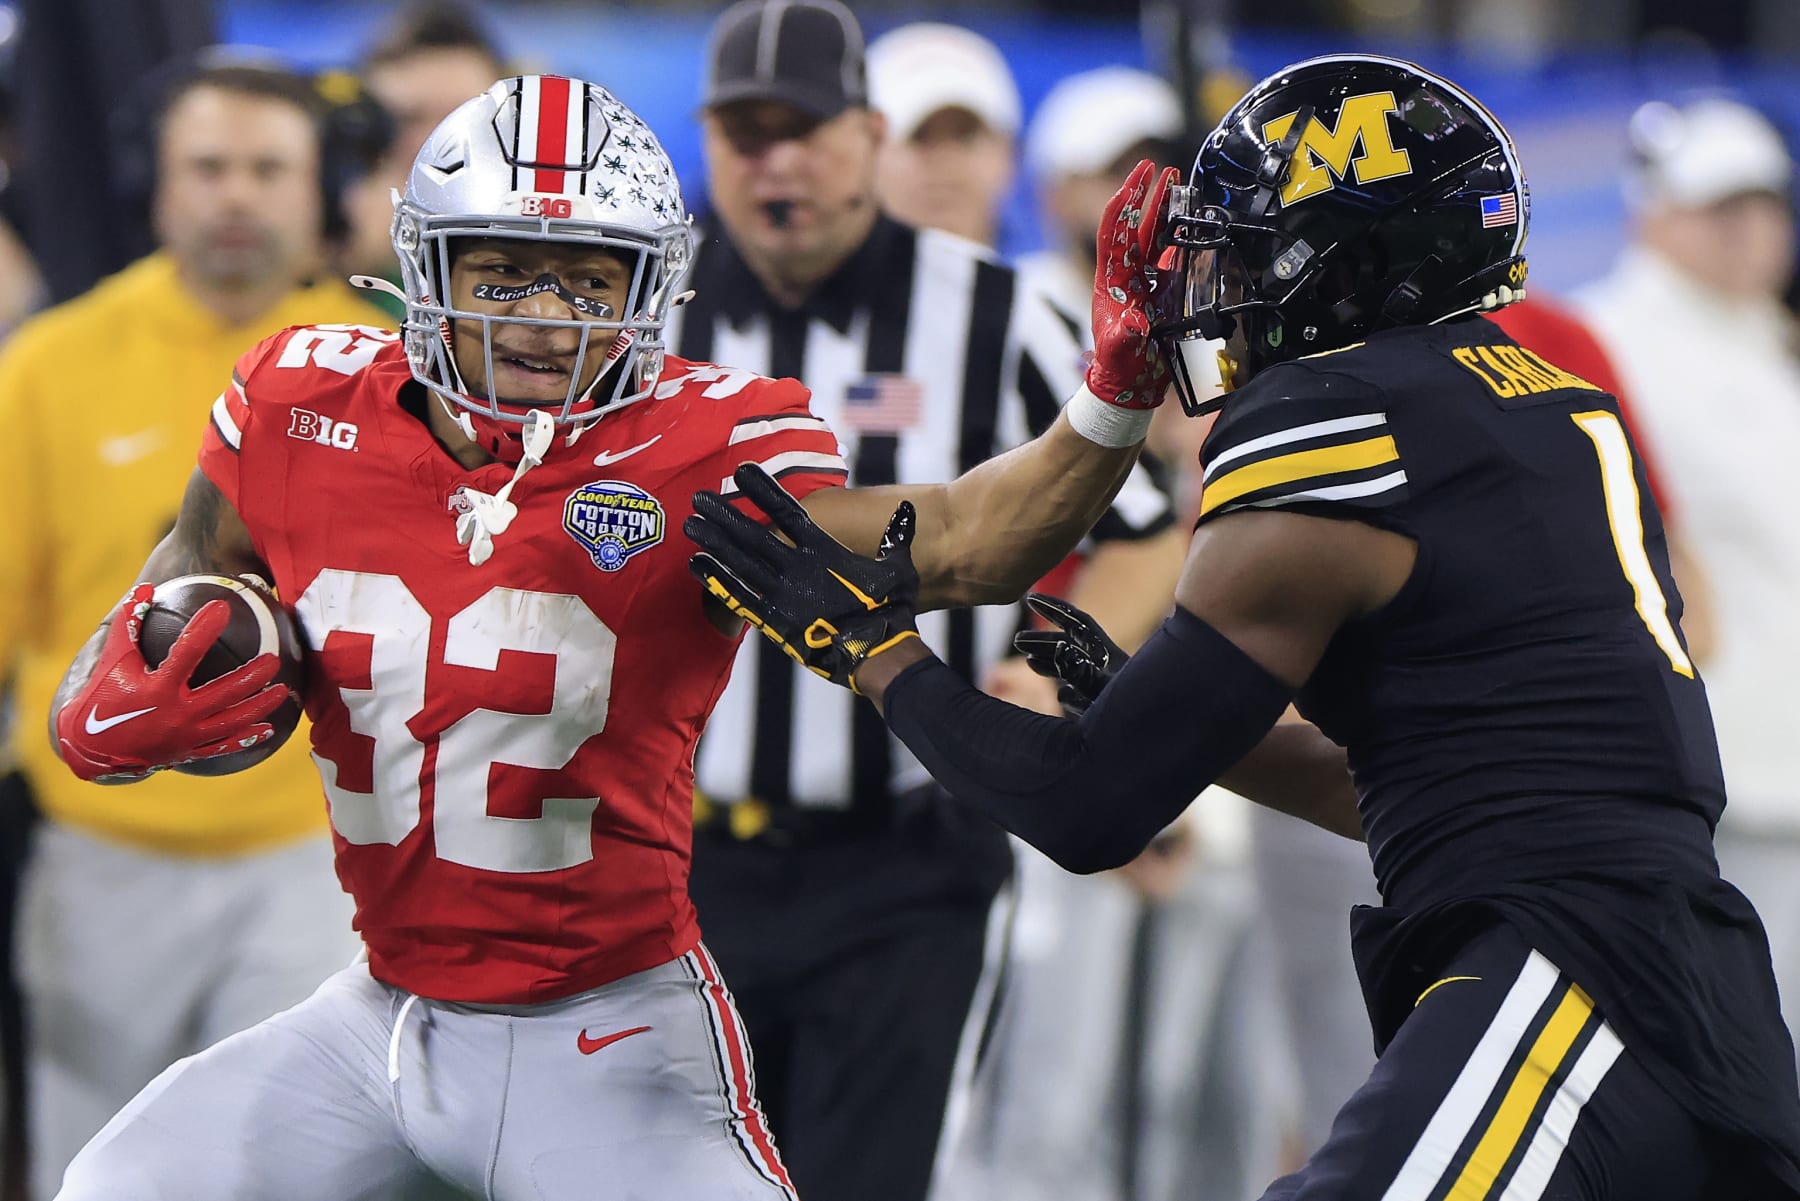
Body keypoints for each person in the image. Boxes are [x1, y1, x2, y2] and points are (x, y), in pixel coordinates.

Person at [40, 68, 1182, 1200]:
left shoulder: (704, 447)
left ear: (650, 290)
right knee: (115, 1184)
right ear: (427, 265)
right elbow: (159, 610)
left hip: (606, 1028)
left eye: (592, 283)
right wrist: (117, 701)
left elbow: (967, 541)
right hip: (380, 1011)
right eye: (505, 272)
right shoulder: (297, 402)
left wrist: (1113, 401)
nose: (545, 319)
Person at [689, 53, 1800, 1198]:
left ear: (1350, 255)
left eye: (1245, 246)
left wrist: (872, 652)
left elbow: (1082, 808)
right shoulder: (1545, 402)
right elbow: (1397, 788)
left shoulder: (1331, 429)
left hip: (1567, 980)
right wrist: (1163, 716)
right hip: (1694, 984)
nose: (1215, 286)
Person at [674, 5, 1182, 1199]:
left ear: (865, 133)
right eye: (745, 135)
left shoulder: (1001, 312)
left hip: (904, 863)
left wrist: (1060, 666)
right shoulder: (653, 305)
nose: (776, 162)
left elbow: (1149, 536)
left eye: (802, 129)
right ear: (709, 144)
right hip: (672, 860)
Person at [0, 60, 390, 1201]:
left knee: (296, 1174)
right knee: (98, 1171)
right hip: (103, 862)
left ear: (314, 186)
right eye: (207, 167)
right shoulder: (51, 368)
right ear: (156, 188)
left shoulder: (388, 369)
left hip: (314, 863)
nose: (235, 196)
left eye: (267, 169)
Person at [1575, 96, 1800, 1060]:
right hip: (1710, 777)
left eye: (1766, 203)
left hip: (1781, 767)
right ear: (1651, 213)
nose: (1752, 229)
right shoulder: (1608, 339)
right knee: (1712, 1061)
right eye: (1721, 206)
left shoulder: (1766, 348)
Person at [337, 1, 508, 303]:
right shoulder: (326, 230)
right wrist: (342, 262)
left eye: (460, 115)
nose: (436, 140)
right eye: (409, 118)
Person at [866, 22, 1020, 248]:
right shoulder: (811, 283)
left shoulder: (1045, 283)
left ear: (1008, 155)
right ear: (865, 156)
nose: (946, 162)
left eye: (966, 137)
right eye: (921, 136)